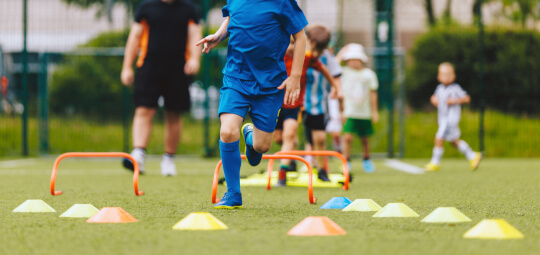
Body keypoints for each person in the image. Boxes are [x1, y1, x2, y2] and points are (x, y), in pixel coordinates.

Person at [196, 0, 308, 209]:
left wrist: (295, 76)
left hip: (271, 84)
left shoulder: (282, 2)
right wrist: (218, 36)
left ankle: (250, 137)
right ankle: (233, 193)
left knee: (262, 146)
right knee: (228, 132)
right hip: (236, 77)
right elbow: (231, 19)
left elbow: (300, 37)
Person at [120, 0, 202, 176]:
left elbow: (195, 34)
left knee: (174, 113)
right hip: (149, 66)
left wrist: (195, 59)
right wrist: (127, 66)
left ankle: (168, 159)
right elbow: (135, 36)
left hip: (179, 68)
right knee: (144, 109)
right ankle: (138, 155)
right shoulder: (146, 7)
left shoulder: (189, 9)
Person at [274, 35, 340, 186]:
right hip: (275, 105)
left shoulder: (306, 57)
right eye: (288, 43)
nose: (291, 47)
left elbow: (323, 70)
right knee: (279, 138)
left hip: (294, 105)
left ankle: (283, 172)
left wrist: (334, 86)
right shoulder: (277, 55)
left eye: (294, 43)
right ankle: (291, 147)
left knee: (289, 134)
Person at [302, 24, 343, 181]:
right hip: (298, 103)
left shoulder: (328, 59)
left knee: (319, 138)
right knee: (290, 134)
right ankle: (290, 164)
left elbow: (336, 76)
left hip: (319, 104)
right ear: (309, 41)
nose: (317, 53)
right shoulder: (302, 54)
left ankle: (321, 169)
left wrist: (336, 90)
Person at [424, 62, 482, 171]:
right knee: (454, 141)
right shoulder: (439, 88)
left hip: (450, 119)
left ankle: (435, 162)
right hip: (442, 119)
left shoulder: (455, 88)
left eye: (448, 74)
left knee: (439, 137)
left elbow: (467, 98)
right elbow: (435, 98)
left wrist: (453, 101)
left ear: (453, 76)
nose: (445, 77)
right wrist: (433, 100)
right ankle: (473, 156)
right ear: (438, 76)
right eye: (443, 74)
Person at [337, 44, 378, 173]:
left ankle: (367, 159)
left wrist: (375, 111)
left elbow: (373, 94)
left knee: (365, 138)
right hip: (350, 111)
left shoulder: (369, 74)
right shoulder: (344, 72)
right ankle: (346, 160)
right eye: (350, 59)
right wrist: (343, 51)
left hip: (365, 113)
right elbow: (334, 65)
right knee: (347, 137)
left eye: (356, 59)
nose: (353, 62)